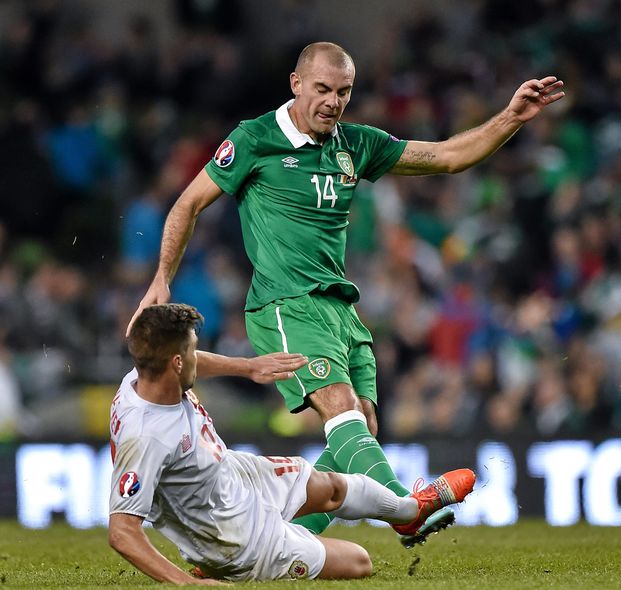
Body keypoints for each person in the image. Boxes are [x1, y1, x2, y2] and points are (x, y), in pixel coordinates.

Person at [126, 41, 564, 546]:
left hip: (340, 308)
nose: (333, 102)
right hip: (286, 303)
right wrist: (162, 277)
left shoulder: (355, 144)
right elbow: (188, 204)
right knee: (341, 409)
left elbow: (446, 158)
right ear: (296, 84)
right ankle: (407, 508)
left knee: (362, 426)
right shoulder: (255, 139)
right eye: (322, 90)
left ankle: (275, 541)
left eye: (343, 92)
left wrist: (511, 117)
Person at [109, 303, 475, 583]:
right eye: (190, 352)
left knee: (330, 487)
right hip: (233, 534)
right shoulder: (146, 437)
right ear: (175, 362)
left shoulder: (143, 376)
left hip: (232, 475)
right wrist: (184, 584)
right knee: (359, 562)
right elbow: (122, 533)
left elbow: (193, 362)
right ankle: (232, 564)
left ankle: (410, 512)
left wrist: (249, 367)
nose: (195, 357)